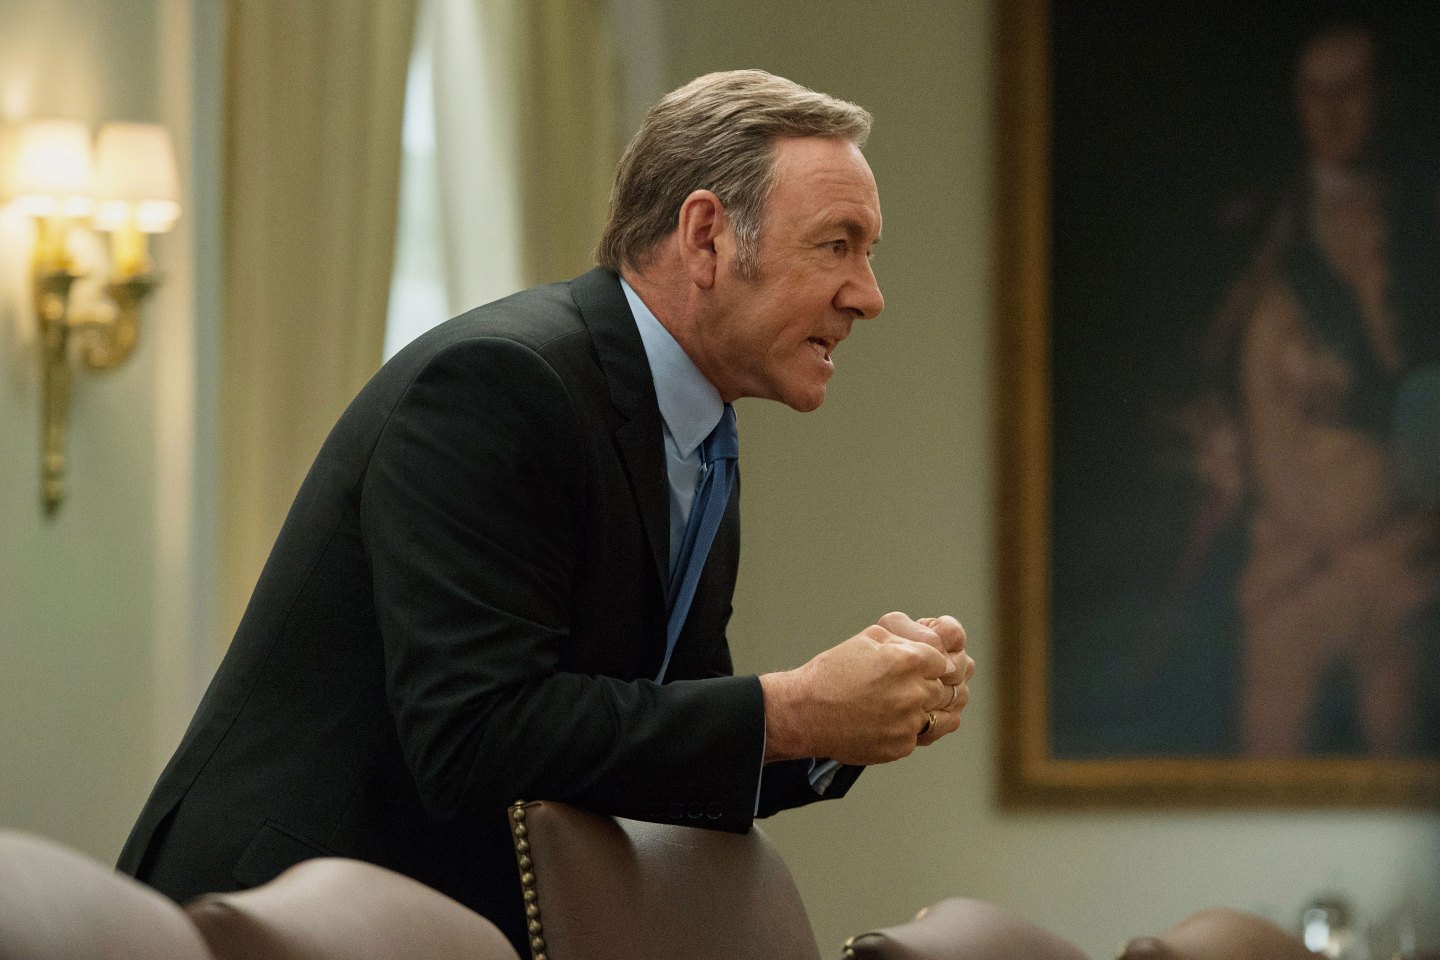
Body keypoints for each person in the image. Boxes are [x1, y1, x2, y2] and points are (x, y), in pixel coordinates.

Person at [117, 69, 975, 954]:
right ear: (706, 236)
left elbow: (651, 749)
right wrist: (794, 710)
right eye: (837, 245)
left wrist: (846, 727)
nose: (868, 294)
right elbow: (476, 737)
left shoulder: (700, 435)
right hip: (281, 920)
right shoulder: (499, 382)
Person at [1181, 23, 1440, 757]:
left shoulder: (1424, 226)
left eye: (1349, 90)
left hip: (1401, 570)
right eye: (1313, 92)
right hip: (1283, 571)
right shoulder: (1256, 229)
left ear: (1384, 97)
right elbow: (1206, 381)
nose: (1330, 112)